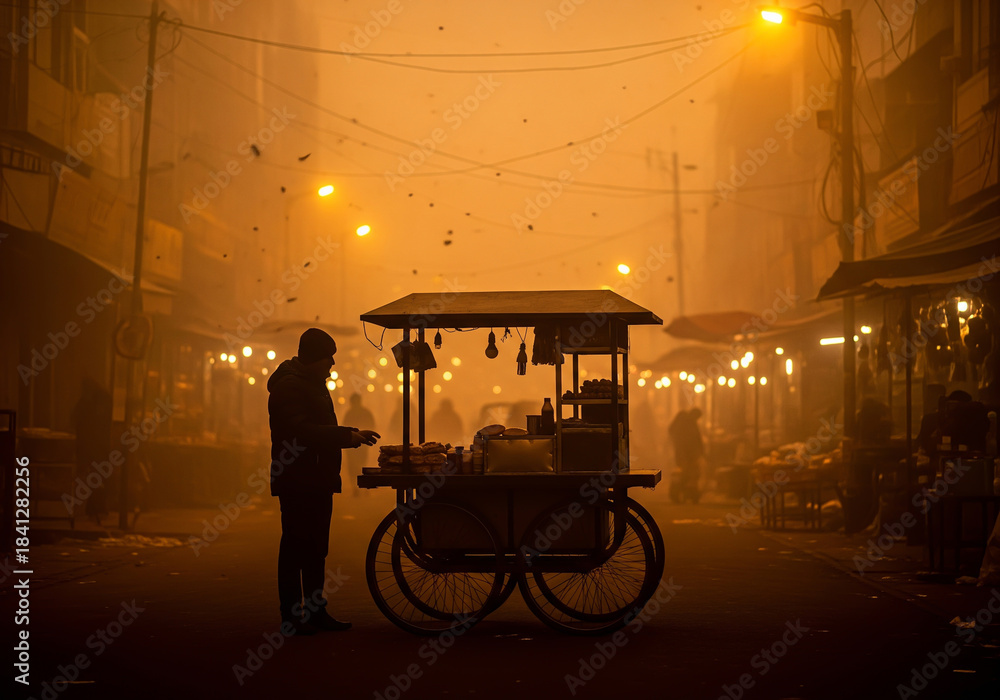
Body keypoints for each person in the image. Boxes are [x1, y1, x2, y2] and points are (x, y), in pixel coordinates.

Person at [267, 328, 380, 635]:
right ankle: (291, 616)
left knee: (316, 548)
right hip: (297, 479)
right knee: (295, 547)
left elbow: (317, 426)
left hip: (316, 478)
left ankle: (315, 611)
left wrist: (349, 432)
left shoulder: (311, 384)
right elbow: (303, 431)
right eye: (328, 357)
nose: (332, 363)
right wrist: (346, 437)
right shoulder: (289, 387)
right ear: (314, 358)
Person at [72, 378, 112, 524]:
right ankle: (96, 510)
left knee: (93, 478)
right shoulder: (98, 403)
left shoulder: (86, 404)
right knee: (97, 479)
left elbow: (76, 422)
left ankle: (93, 510)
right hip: (97, 447)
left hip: (90, 447)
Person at [668, 408, 704, 503]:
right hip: (687, 454)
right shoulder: (689, 423)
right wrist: (701, 452)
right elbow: (697, 439)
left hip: (683, 453)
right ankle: (687, 493)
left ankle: (681, 493)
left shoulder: (685, 423)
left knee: (685, 473)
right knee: (688, 473)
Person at [343, 393, 376, 497]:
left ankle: (360, 488)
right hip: (355, 444)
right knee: (356, 466)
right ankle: (358, 488)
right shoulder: (364, 413)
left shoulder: (350, 413)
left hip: (356, 444)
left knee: (357, 465)